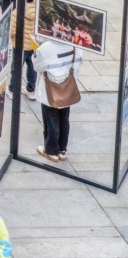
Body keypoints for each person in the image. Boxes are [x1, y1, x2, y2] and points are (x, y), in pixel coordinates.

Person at [34, 30, 83, 163]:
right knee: (64, 119)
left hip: (50, 89)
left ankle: (51, 151)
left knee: (51, 120)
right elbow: (78, 64)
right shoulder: (76, 47)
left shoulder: (45, 48)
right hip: (68, 88)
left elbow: (37, 67)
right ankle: (62, 150)